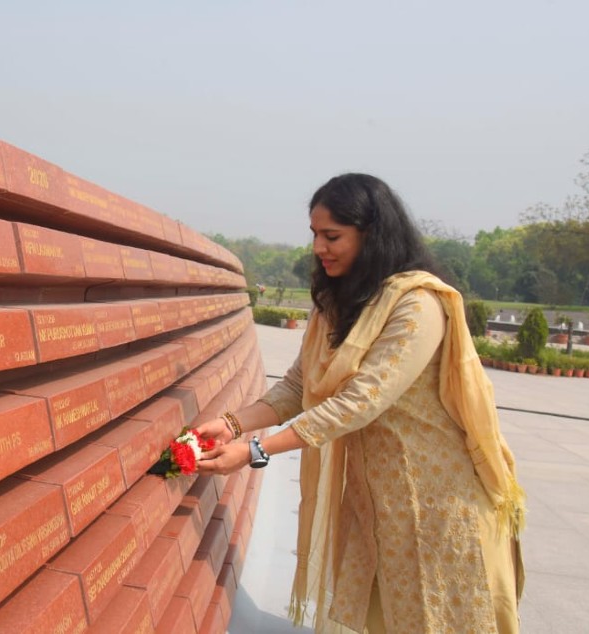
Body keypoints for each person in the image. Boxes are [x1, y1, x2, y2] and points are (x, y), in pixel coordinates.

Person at [195, 173, 525, 633]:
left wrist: (257, 450)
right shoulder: (336, 300)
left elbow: (359, 402)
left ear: (372, 235)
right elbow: (297, 386)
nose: (319, 248)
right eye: (314, 235)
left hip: (438, 503)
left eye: (333, 236)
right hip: (376, 502)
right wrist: (233, 424)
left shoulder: (417, 304)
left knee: (441, 618)